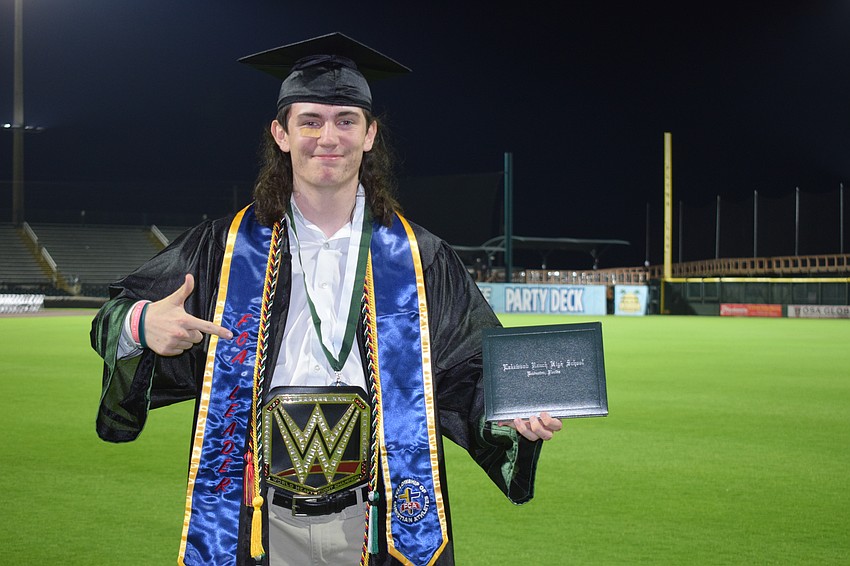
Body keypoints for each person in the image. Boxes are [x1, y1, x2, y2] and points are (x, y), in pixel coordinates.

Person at [91, 32, 562, 566]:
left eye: (345, 121)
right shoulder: (223, 247)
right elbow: (113, 314)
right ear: (281, 134)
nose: (328, 137)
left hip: (378, 515)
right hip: (257, 517)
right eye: (309, 120)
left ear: (369, 134)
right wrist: (141, 322)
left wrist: (513, 415)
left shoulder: (419, 256)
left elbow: (471, 368)